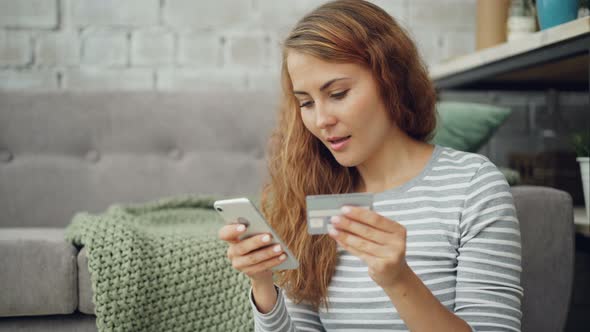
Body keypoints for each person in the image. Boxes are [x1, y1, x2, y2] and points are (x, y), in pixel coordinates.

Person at [218, 1, 523, 331]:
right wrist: (263, 286)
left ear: (389, 79)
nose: (321, 120)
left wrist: (399, 280)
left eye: (338, 93)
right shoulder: (314, 192)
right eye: (305, 102)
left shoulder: (473, 187)